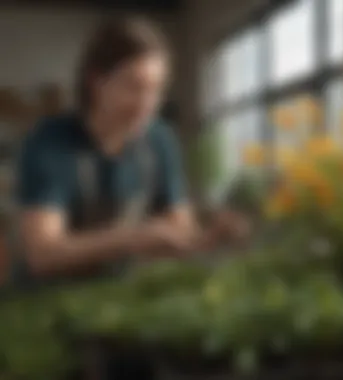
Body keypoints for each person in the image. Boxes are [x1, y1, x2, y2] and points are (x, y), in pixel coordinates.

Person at [15, 16, 249, 379]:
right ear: (96, 82)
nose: (146, 103)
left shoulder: (160, 142)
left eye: (156, 89)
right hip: (46, 316)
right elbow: (43, 254)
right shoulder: (50, 142)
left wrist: (209, 237)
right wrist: (134, 237)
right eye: (133, 86)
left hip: (118, 308)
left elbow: (179, 231)